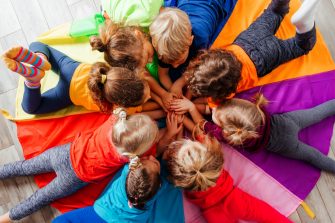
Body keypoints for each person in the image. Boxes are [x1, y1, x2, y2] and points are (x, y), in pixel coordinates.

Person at [0, 109, 170, 223]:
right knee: (40, 198)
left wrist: (152, 116)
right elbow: (155, 153)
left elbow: (129, 118)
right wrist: (167, 128)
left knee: (24, 167)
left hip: (64, 153)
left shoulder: (113, 122)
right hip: (73, 178)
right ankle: (7, 218)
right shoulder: (130, 159)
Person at [170, 0, 319, 109]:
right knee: (272, 13)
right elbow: (198, 73)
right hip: (247, 40)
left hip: (264, 59)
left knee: (299, 47)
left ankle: (305, 25)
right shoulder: (213, 56)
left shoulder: (221, 95)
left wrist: (190, 104)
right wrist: (186, 91)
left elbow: (211, 107)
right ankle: (281, 2)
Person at [1, 21, 154, 115]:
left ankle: (40, 58)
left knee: (38, 45)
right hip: (67, 94)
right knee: (31, 108)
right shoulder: (119, 109)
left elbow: (144, 78)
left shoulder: (118, 73)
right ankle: (32, 81)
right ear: (125, 103)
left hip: (74, 69)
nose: (148, 98)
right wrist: (163, 107)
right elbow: (145, 110)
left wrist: (162, 98)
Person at [171, 94, 335, 174]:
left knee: (312, 156)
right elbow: (213, 112)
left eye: (216, 112)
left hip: (286, 145)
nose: (213, 109)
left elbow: (202, 124)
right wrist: (192, 105)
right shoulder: (249, 111)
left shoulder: (227, 136)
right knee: (318, 112)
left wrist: (191, 108)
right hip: (289, 122)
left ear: (228, 130)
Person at [164, 136, 292, 223]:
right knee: (268, 215)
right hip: (234, 198)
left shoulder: (180, 174)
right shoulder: (210, 155)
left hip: (213, 213)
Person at [149, 0, 237, 109]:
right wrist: (173, 89)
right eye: (170, 62)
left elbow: (198, 68)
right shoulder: (164, 49)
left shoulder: (201, 38)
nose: (175, 66)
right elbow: (163, 75)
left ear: (190, 40)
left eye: (179, 61)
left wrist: (181, 86)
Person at [52, 155, 167, 223]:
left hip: (101, 214)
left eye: (155, 161)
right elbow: (166, 161)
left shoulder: (127, 171)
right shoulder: (157, 190)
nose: (152, 157)